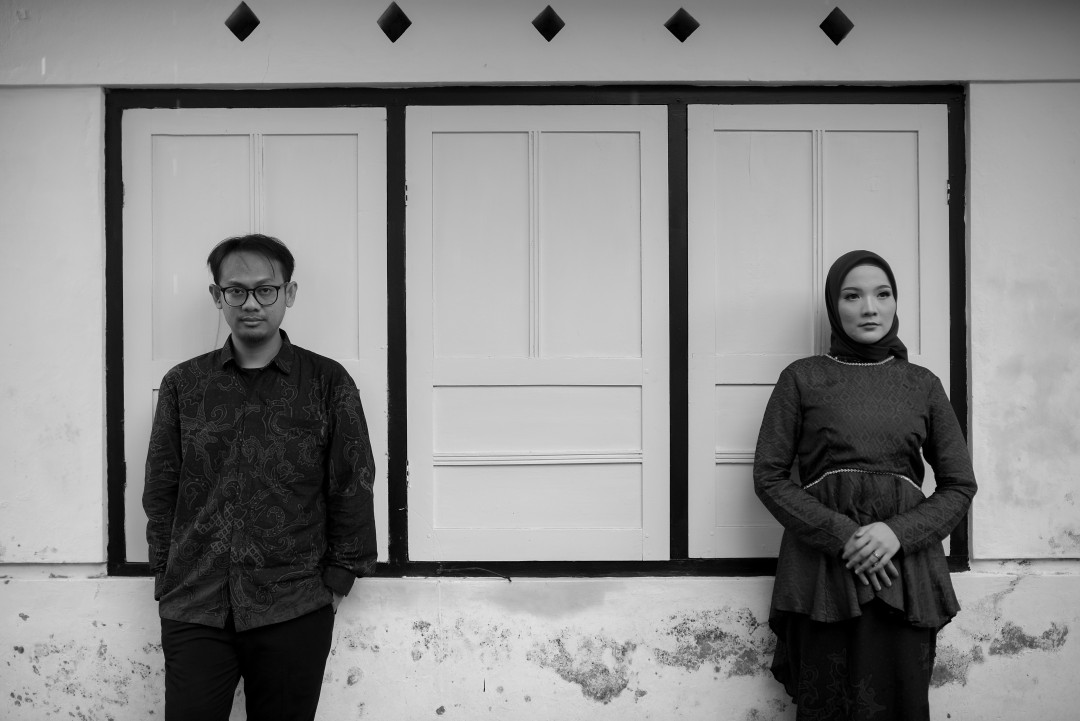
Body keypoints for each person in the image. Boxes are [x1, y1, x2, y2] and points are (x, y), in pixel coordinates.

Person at [142, 233, 377, 721]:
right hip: (195, 603)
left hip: (293, 603)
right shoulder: (184, 384)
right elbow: (162, 487)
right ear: (218, 296)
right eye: (237, 290)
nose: (251, 303)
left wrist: (338, 581)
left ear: (289, 293)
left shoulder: (327, 382)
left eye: (265, 290)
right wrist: (166, 575)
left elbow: (352, 481)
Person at [753, 250, 977, 720]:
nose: (870, 308)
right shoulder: (802, 378)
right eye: (852, 296)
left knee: (900, 702)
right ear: (834, 307)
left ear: (895, 302)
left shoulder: (923, 384)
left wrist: (896, 534)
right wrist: (844, 537)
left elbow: (959, 485)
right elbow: (769, 476)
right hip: (821, 573)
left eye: (883, 294)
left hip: (904, 572)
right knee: (826, 704)